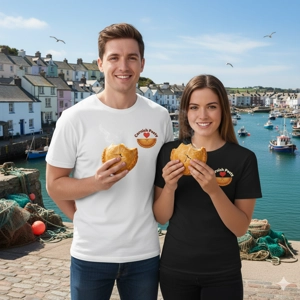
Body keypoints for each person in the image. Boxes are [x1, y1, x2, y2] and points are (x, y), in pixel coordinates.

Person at [45, 23, 173, 300]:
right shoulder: (74, 118)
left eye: (132, 57)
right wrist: (94, 186)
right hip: (90, 254)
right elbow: (54, 185)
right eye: (114, 57)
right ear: (101, 63)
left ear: (142, 64)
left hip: (145, 253)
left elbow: (163, 183)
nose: (123, 66)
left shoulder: (160, 117)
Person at [153, 74, 262, 300]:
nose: (202, 115)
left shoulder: (244, 159)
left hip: (223, 273)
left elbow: (240, 228)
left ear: (223, 110)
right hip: (174, 269)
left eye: (211, 106)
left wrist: (214, 190)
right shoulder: (169, 153)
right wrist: (170, 186)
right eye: (194, 107)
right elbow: (161, 217)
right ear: (185, 111)